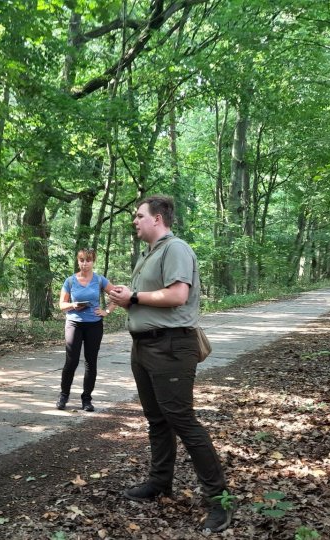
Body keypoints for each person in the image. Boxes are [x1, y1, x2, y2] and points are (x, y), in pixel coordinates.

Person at [107, 195, 231, 533]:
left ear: (158, 218)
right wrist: (127, 296)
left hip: (172, 347)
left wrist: (133, 297)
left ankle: (219, 500)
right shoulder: (150, 254)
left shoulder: (175, 248)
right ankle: (160, 482)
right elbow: (150, 296)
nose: (134, 221)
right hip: (144, 347)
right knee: (157, 420)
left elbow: (177, 295)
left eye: (139, 215)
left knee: (182, 420)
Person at [56, 247, 114, 412]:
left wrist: (106, 311)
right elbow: (61, 305)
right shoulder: (70, 281)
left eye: (88, 260)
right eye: (82, 260)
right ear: (78, 261)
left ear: (93, 261)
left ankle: (86, 399)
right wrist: (72, 305)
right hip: (74, 323)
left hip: (94, 324)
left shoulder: (100, 280)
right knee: (71, 361)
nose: (85, 264)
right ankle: (63, 396)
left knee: (91, 362)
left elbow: (116, 294)